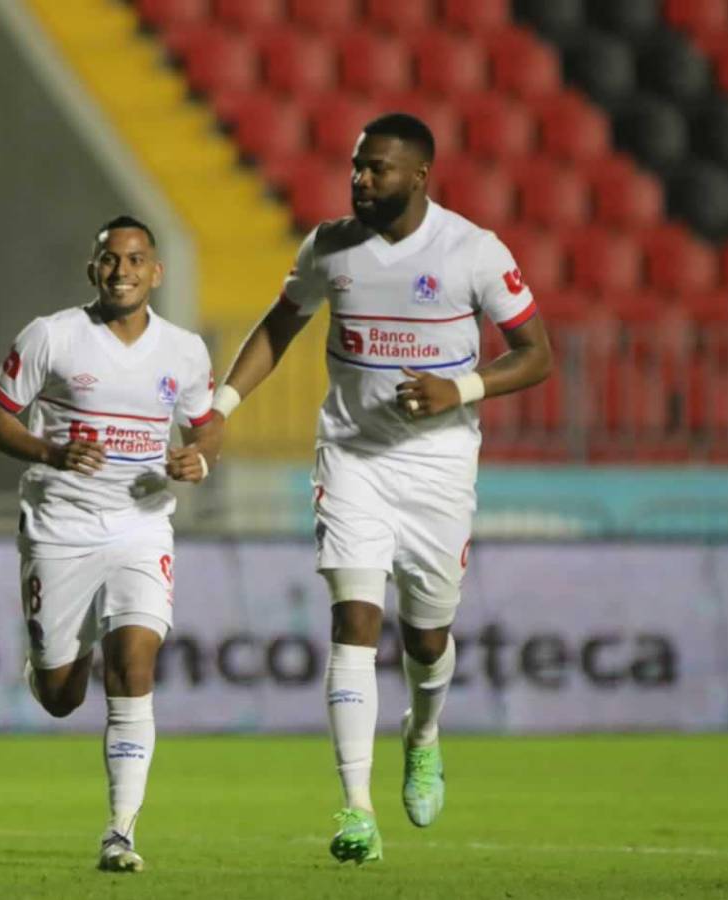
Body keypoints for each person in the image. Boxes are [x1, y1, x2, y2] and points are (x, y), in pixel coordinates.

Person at [211, 114, 553, 864]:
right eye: (357, 167)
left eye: (377, 170)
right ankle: (355, 809)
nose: (360, 180)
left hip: (437, 467)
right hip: (352, 456)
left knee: (427, 635)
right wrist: (222, 407)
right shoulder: (329, 246)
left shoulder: (474, 252)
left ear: (420, 175)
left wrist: (459, 388)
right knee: (353, 622)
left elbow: (536, 355)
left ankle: (423, 733)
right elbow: (279, 325)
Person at [0, 215, 221, 873]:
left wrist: (198, 459)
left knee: (134, 665)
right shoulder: (52, 337)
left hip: (141, 528)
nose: (122, 272)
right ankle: (52, 662)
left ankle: (120, 832)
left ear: (155, 272)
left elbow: (204, 426)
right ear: (93, 270)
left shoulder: (185, 350)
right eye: (110, 261)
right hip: (60, 527)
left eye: (135, 260)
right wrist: (52, 451)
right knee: (60, 696)